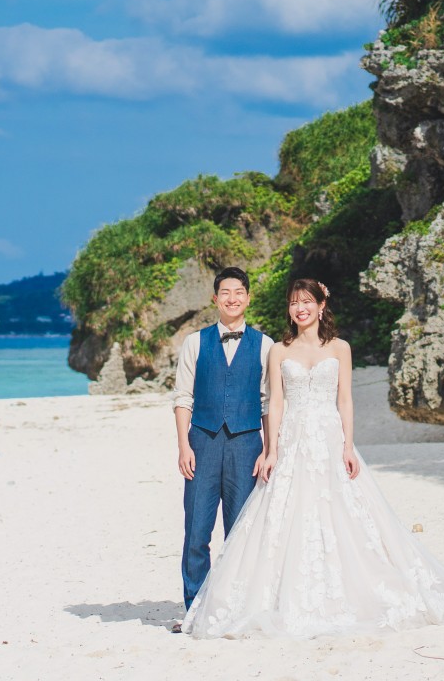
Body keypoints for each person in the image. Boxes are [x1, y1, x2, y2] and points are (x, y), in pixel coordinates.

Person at [181, 278, 444, 640]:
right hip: (290, 440)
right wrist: (272, 447)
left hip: (328, 438)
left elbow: (344, 400)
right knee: (271, 522)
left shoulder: (340, 348)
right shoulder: (278, 349)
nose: (300, 308)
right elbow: (274, 402)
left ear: (321, 306)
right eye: (294, 302)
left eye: (307, 301)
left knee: (344, 519)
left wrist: (348, 445)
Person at [172, 266, 274, 630]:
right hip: (202, 441)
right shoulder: (194, 343)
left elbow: (268, 403)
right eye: (225, 292)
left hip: (248, 445)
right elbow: (183, 397)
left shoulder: (265, 345)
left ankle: (235, 607)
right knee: (197, 529)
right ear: (215, 299)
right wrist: (184, 445)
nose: (232, 298)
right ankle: (194, 609)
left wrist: (269, 450)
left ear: (248, 297)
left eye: (238, 292)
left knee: (241, 532)